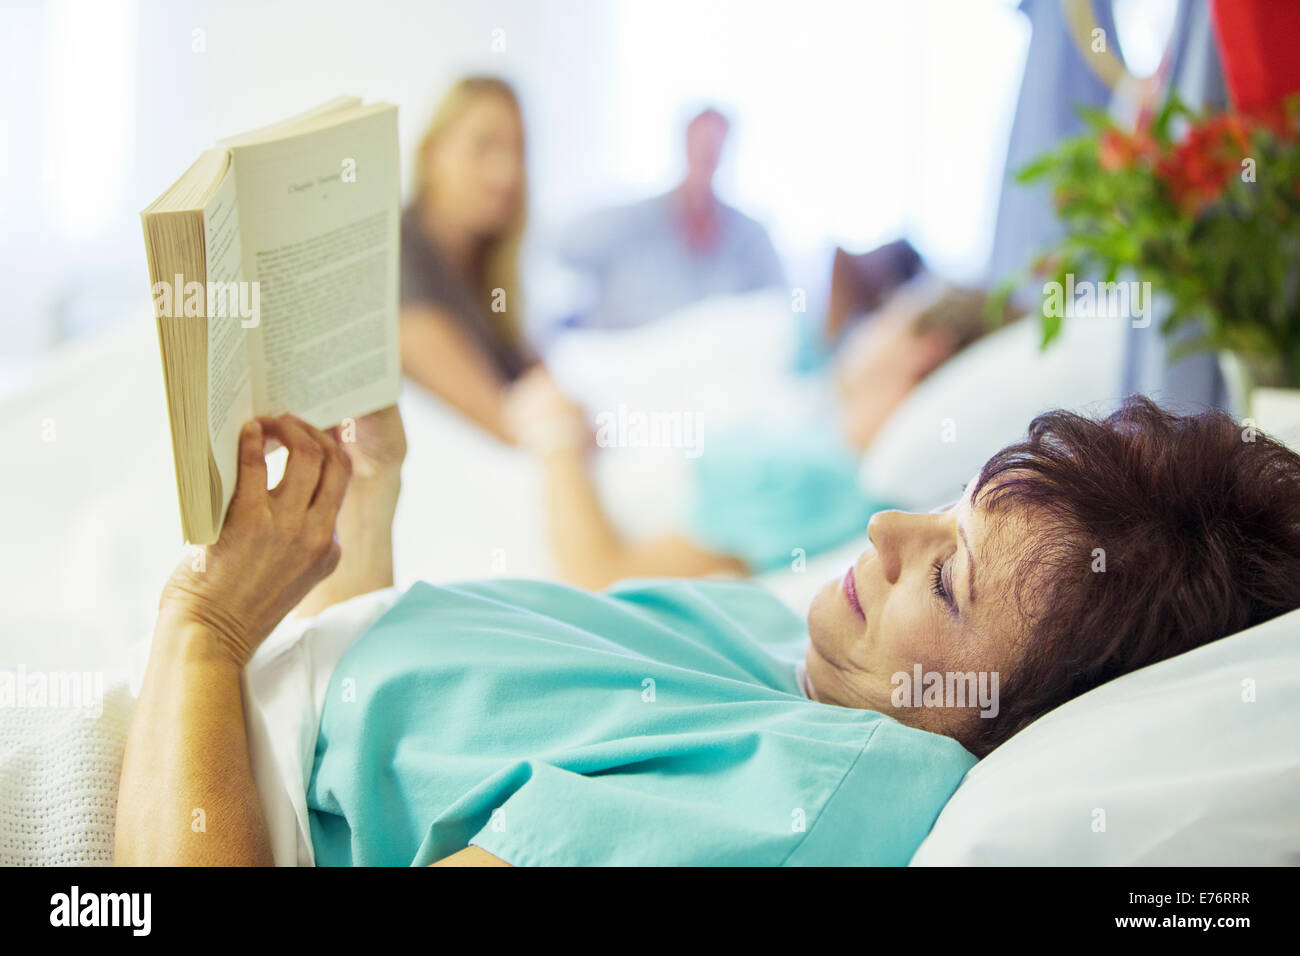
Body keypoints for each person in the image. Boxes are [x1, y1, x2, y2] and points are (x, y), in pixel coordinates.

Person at [115, 396, 1300, 866]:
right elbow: (382, 764)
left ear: (1014, 724)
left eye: (945, 585)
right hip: (202, 726)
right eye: (942, 511)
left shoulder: (818, 783)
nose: (884, 529)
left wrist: (205, 622)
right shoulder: (802, 659)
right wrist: (360, 525)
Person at [506, 277, 1013, 588]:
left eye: (885, 316)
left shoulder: (816, 482)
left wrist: (555, 438)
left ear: (926, 350)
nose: (864, 327)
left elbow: (601, 578)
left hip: (538, 521)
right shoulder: (812, 423)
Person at [557, 108, 784, 330]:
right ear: (684, 145)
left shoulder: (751, 237)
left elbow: (790, 300)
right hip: (628, 354)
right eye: (701, 150)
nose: (706, 159)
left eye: (713, 152)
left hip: (715, 359)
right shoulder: (632, 221)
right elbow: (563, 245)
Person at [400, 77, 536, 441]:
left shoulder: (486, 272)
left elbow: (537, 382)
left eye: (518, 151)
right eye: (484, 146)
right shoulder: (397, 252)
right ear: (432, 155)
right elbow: (505, 424)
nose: (506, 174)